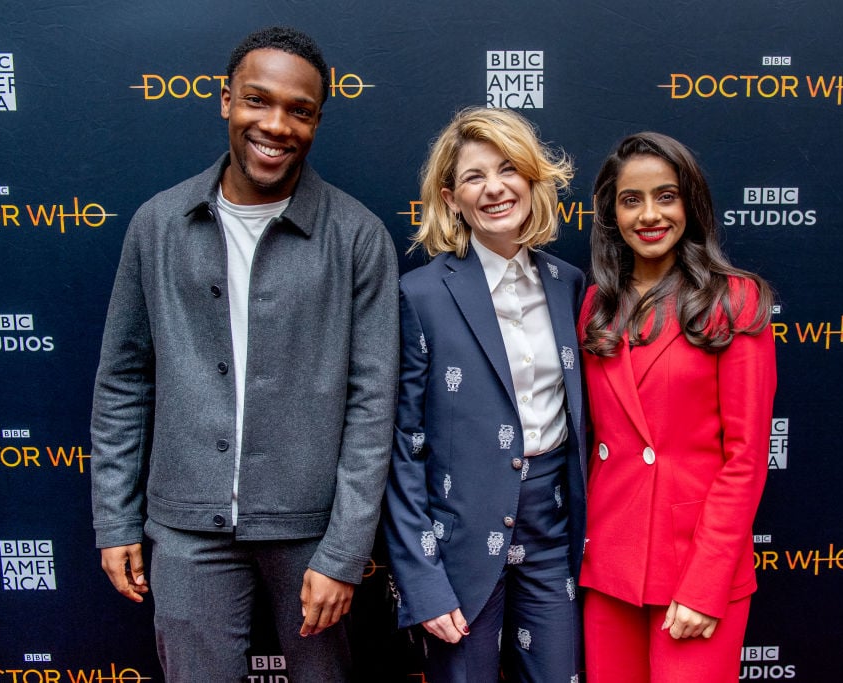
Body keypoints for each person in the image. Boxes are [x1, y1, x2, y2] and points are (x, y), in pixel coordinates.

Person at [90, 26, 399, 683]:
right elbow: (123, 382)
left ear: (317, 121)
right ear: (226, 100)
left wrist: (345, 550)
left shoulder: (358, 236)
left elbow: (373, 407)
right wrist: (115, 520)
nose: (276, 125)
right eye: (258, 100)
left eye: (299, 110)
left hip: (312, 531)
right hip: (185, 527)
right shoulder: (158, 224)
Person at [383, 107, 587, 682]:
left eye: (508, 169)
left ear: (532, 179)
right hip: (460, 543)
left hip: (552, 534)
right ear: (452, 198)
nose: (495, 188)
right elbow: (403, 449)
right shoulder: (420, 295)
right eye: (475, 177)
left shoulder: (568, 284)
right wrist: (421, 579)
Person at [578, 132, 777, 683]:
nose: (649, 215)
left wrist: (705, 585)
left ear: (691, 204)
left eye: (665, 196)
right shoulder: (596, 305)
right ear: (611, 213)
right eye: (631, 200)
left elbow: (745, 459)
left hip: (695, 567)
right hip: (610, 564)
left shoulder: (734, 300)